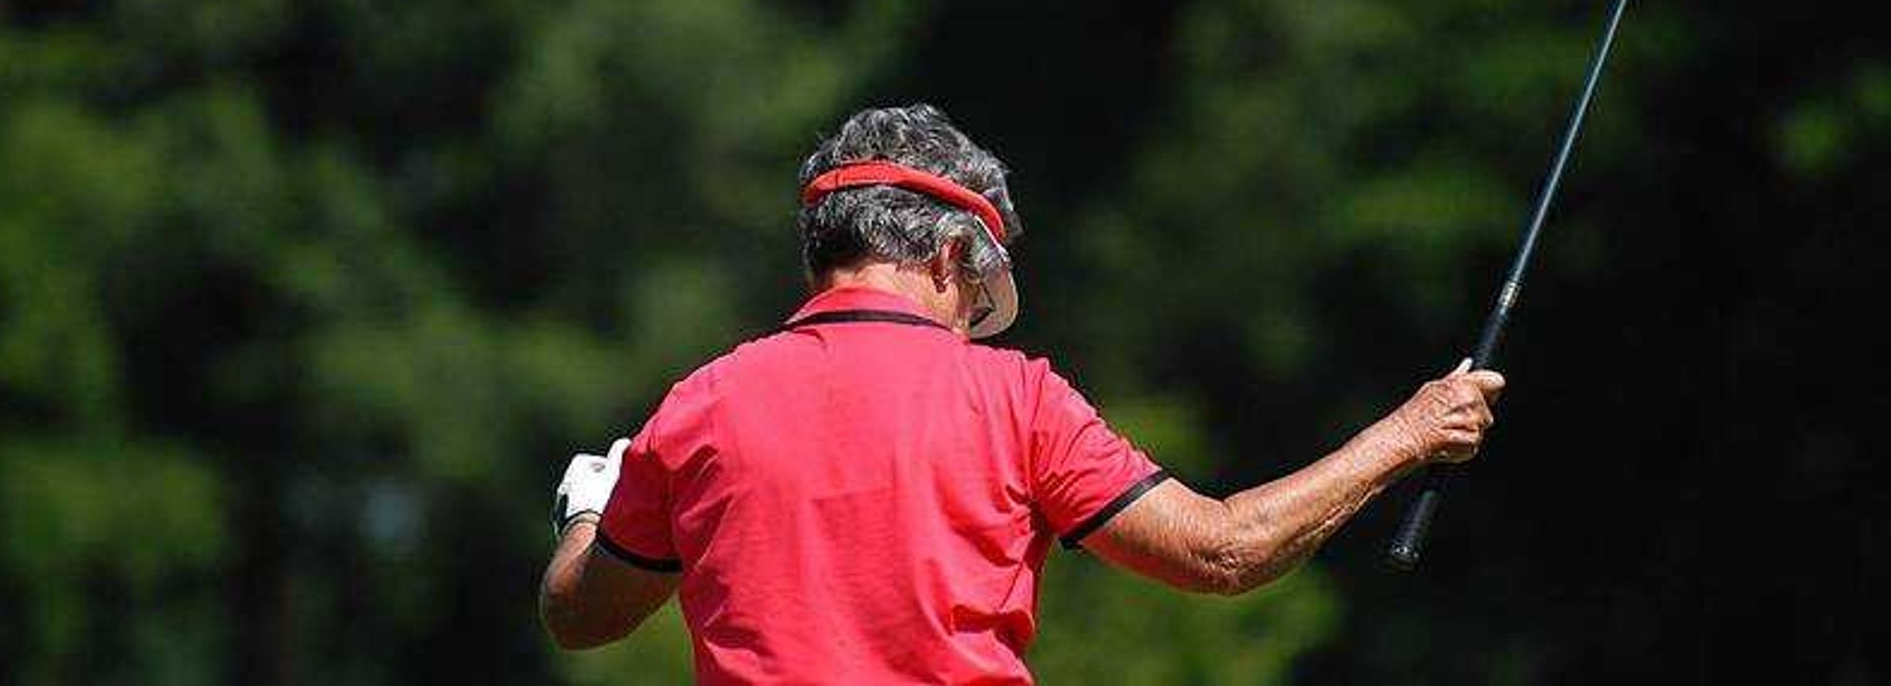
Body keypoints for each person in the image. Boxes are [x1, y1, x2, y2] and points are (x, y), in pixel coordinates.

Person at [540, 104, 1502, 683]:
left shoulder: (702, 403)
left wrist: (588, 510)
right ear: (955, 253)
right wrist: (1411, 432)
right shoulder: (1016, 400)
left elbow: (581, 616)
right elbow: (1223, 550)